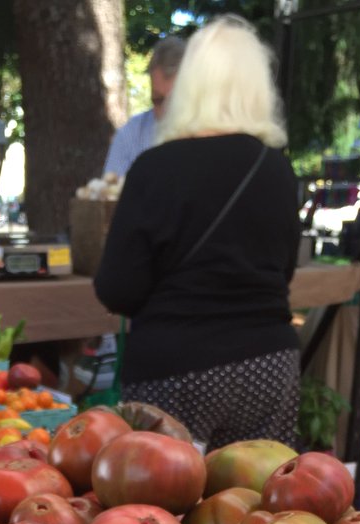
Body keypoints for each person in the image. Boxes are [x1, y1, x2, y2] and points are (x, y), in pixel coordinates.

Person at [94, 14, 301, 451]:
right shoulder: (277, 169)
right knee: (259, 509)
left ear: (188, 85)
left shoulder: (154, 167)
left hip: (176, 368)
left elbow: (117, 288)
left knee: (163, 510)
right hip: (267, 365)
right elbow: (283, 273)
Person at [102, 35, 186, 178]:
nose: (166, 112)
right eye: (158, 100)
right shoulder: (131, 135)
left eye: (174, 102)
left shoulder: (213, 135)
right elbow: (111, 193)